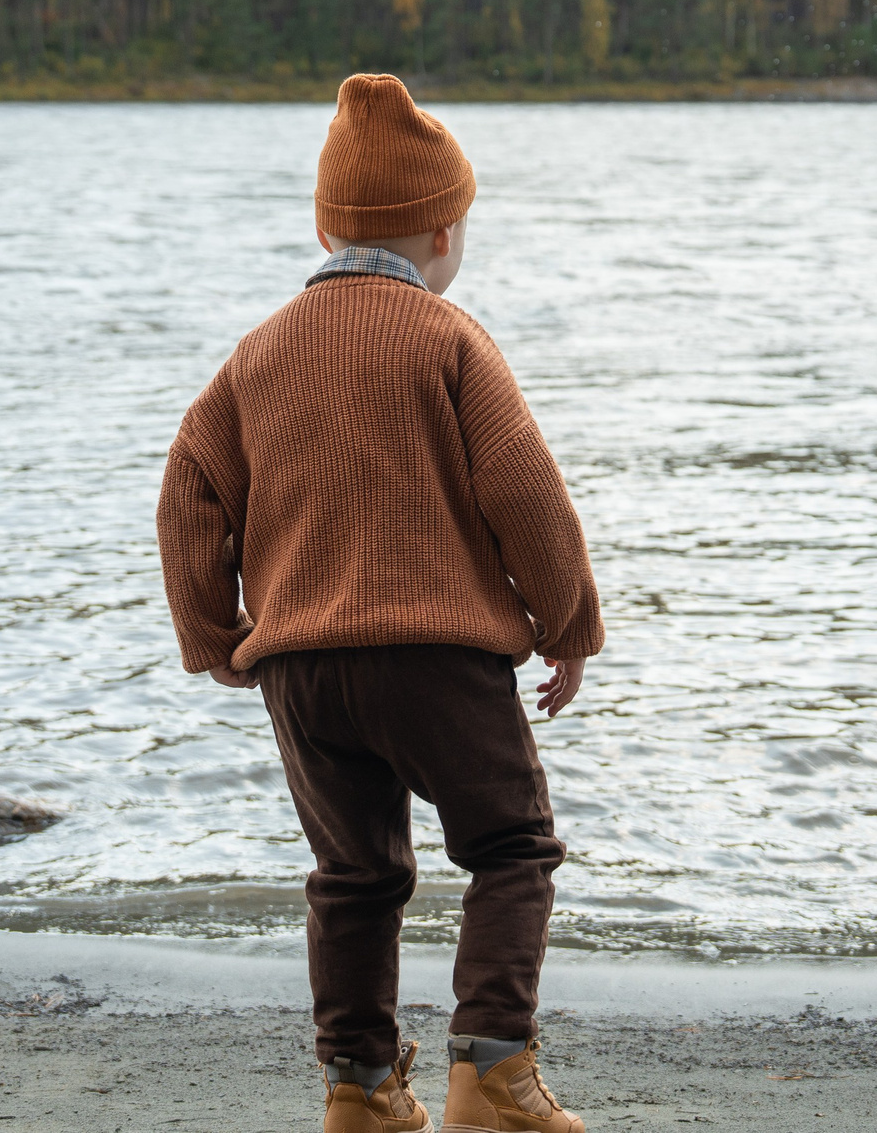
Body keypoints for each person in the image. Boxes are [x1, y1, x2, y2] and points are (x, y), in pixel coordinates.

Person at [157, 73, 605, 1133]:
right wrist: (567, 624)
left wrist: (213, 635)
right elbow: (524, 493)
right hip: (437, 655)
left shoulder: (256, 355)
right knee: (510, 848)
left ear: (324, 224)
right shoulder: (448, 339)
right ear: (445, 231)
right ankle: (492, 1072)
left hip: (301, 666)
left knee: (353, 875)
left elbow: (189, 491)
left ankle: (358, 1090)